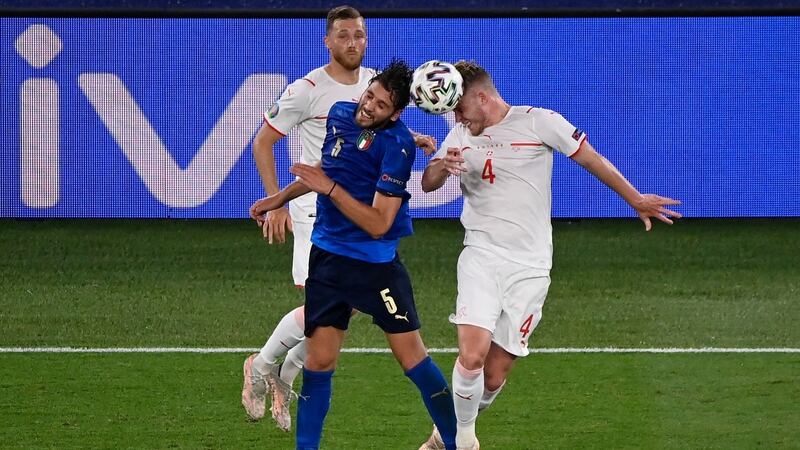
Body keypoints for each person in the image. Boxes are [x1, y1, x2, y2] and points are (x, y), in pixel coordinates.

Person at [417, 60, 682, 450]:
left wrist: (635, 198)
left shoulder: (539, 122)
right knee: (471, 356)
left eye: (459, 107)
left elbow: (591, 158)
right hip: (481, 255)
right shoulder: (458, 135)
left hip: (531, 267)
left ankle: (444, 437)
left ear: (482, 97)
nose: (455, 116)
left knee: (493, 376)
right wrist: (442, 164)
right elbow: (427, 184)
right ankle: (466, 440)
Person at [241, 5, 436, 432]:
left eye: (360, 36)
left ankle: (279, 375)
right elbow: (262, 142)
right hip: (317, 209)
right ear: (327, 41)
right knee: (323, 312)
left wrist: (416, 138)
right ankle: (263, 367)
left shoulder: (373, 86)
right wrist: (275, 200)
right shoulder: (307, 89)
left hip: (355, 214)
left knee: (336, 315)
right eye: (344, 36)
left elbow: (379, 134)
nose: (353, 43)